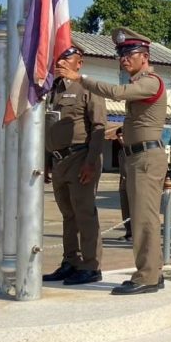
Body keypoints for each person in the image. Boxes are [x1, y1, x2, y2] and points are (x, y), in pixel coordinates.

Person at [56, 28, 167, 294]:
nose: (124, 59)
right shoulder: (140, 83)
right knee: (140, 218)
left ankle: (148, 277)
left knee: (144, 219)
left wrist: (80, 78)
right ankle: (153, 272)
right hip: (136, 157)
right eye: (121, 55)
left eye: (130, 54)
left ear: (145, 57)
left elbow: (116, 93)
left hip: (146, 157)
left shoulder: (151, 82)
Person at [42, 42, 106, 286]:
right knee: (68, 215)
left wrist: (91, 162)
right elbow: (49, 127)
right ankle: (71, 261)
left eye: (65, 59)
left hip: (81, 158)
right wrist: (46, 161)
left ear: (79, 63)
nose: (59, 63)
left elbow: (99, 127)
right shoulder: (52, 90)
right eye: (57, 58)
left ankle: (91, 266)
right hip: (59, 160)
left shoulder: (87, 88)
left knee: (85, 214)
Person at [115, 125, 131, 240]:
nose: (120, 138)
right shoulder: (121, 151)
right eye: (118, 136)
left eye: (122, 136)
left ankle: (135, 232)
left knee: (134, 209)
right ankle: (129, 231)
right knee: (125, 209)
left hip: (132, 181)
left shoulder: (133, 150)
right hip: (123, 181)